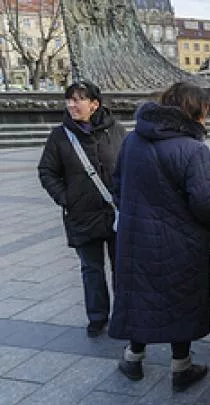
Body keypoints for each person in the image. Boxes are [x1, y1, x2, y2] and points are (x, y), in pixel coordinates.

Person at [109, 82, 210, 392]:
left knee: (141, 297)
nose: (206, 120)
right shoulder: (193, 149)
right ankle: (181, 368)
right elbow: (207, 205)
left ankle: (132, 359)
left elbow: (117, 184)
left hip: (136, 239)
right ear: (193, 111)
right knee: (180, 300)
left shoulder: (133, 140)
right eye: (205, 114)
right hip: (181, 242)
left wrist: (138, 216)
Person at [38, 80, 126, 338]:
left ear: (94, 104)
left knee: (121, 267)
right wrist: (66, 198)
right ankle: (97, 317)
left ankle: (123, 315)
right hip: (82, 215)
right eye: (69, 99)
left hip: (114, 212)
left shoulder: (117, 131)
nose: (72, 105)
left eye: (78, 99)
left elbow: (129, 165)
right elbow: (47, 171)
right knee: (91, 268)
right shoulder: (60, 136)